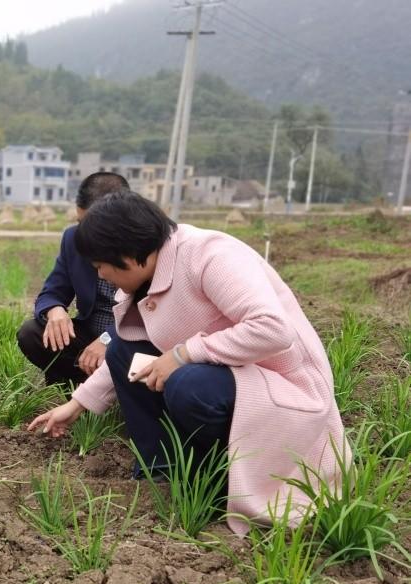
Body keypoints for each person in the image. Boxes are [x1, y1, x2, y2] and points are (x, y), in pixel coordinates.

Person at [28, 191, 346, 534]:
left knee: (188, 384)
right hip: (230, 373)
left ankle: (217, 481)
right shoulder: (151, 272)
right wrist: (77, 405)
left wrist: (181, 355)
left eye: (101, 266)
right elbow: (127, 348)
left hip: (283, 388)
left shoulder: (210, 255)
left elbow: (272, 329)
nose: (102, 276)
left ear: (129, 254)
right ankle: (163, 473)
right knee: (123, 351)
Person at [17, 172, 129, 388]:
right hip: (89, 333)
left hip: (132, 337)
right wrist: (55, 311)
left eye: (93, 224)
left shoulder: (145, 245)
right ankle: (76, 388)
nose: (85, 232)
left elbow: (148, 316)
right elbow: (52, 291)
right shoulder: (74, 239)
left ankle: (113, 393)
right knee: (32, 334)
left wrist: (108, 339)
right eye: (81, 222)